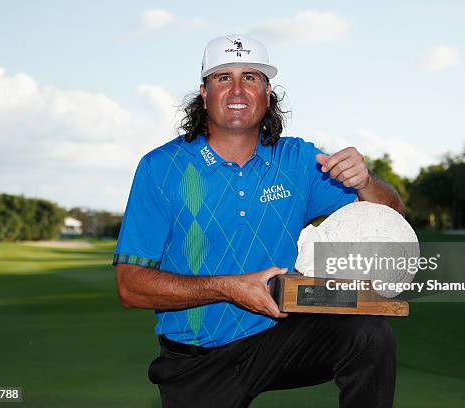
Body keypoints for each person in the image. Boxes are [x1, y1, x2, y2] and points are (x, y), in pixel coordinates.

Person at [114, 34, 405, 408]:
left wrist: (366, 182)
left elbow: (390, 216)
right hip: (196, 362)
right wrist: (228, 287)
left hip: (276, 337)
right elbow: (130, 287)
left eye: (250, 77)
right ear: (204, 93)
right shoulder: (160, 168)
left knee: (368, 334)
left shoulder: (299, 161)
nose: (237, 89)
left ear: (268, 93)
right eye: (223, 78)